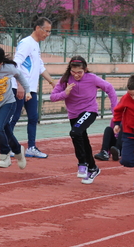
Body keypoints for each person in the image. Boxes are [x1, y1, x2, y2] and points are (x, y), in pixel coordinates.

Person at [50, 56, 117, 184]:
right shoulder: (65, 80)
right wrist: (65, 93)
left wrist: (115, 110)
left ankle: (82, 163)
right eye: (73, 72)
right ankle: (93, 168)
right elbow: (53, 97)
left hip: (89, 111)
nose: (76, 75)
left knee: (75, 133)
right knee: (82, 139)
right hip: (73, 114)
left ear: (85, 70)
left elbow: (110, 89)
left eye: (79, 72)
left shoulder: (92, 78)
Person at [9, 17, 56, 158]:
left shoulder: (36, 45)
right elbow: (15, 64)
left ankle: (31, 147)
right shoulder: (26, 43)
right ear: (37, 28)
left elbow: (40, 67)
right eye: (46, 31)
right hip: (21, 88)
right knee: (15, 117)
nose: (47, 34)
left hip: (31, 89)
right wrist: (19, 85)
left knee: (33, 117)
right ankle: (7, 146)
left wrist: (53, 82)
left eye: (49, 31)